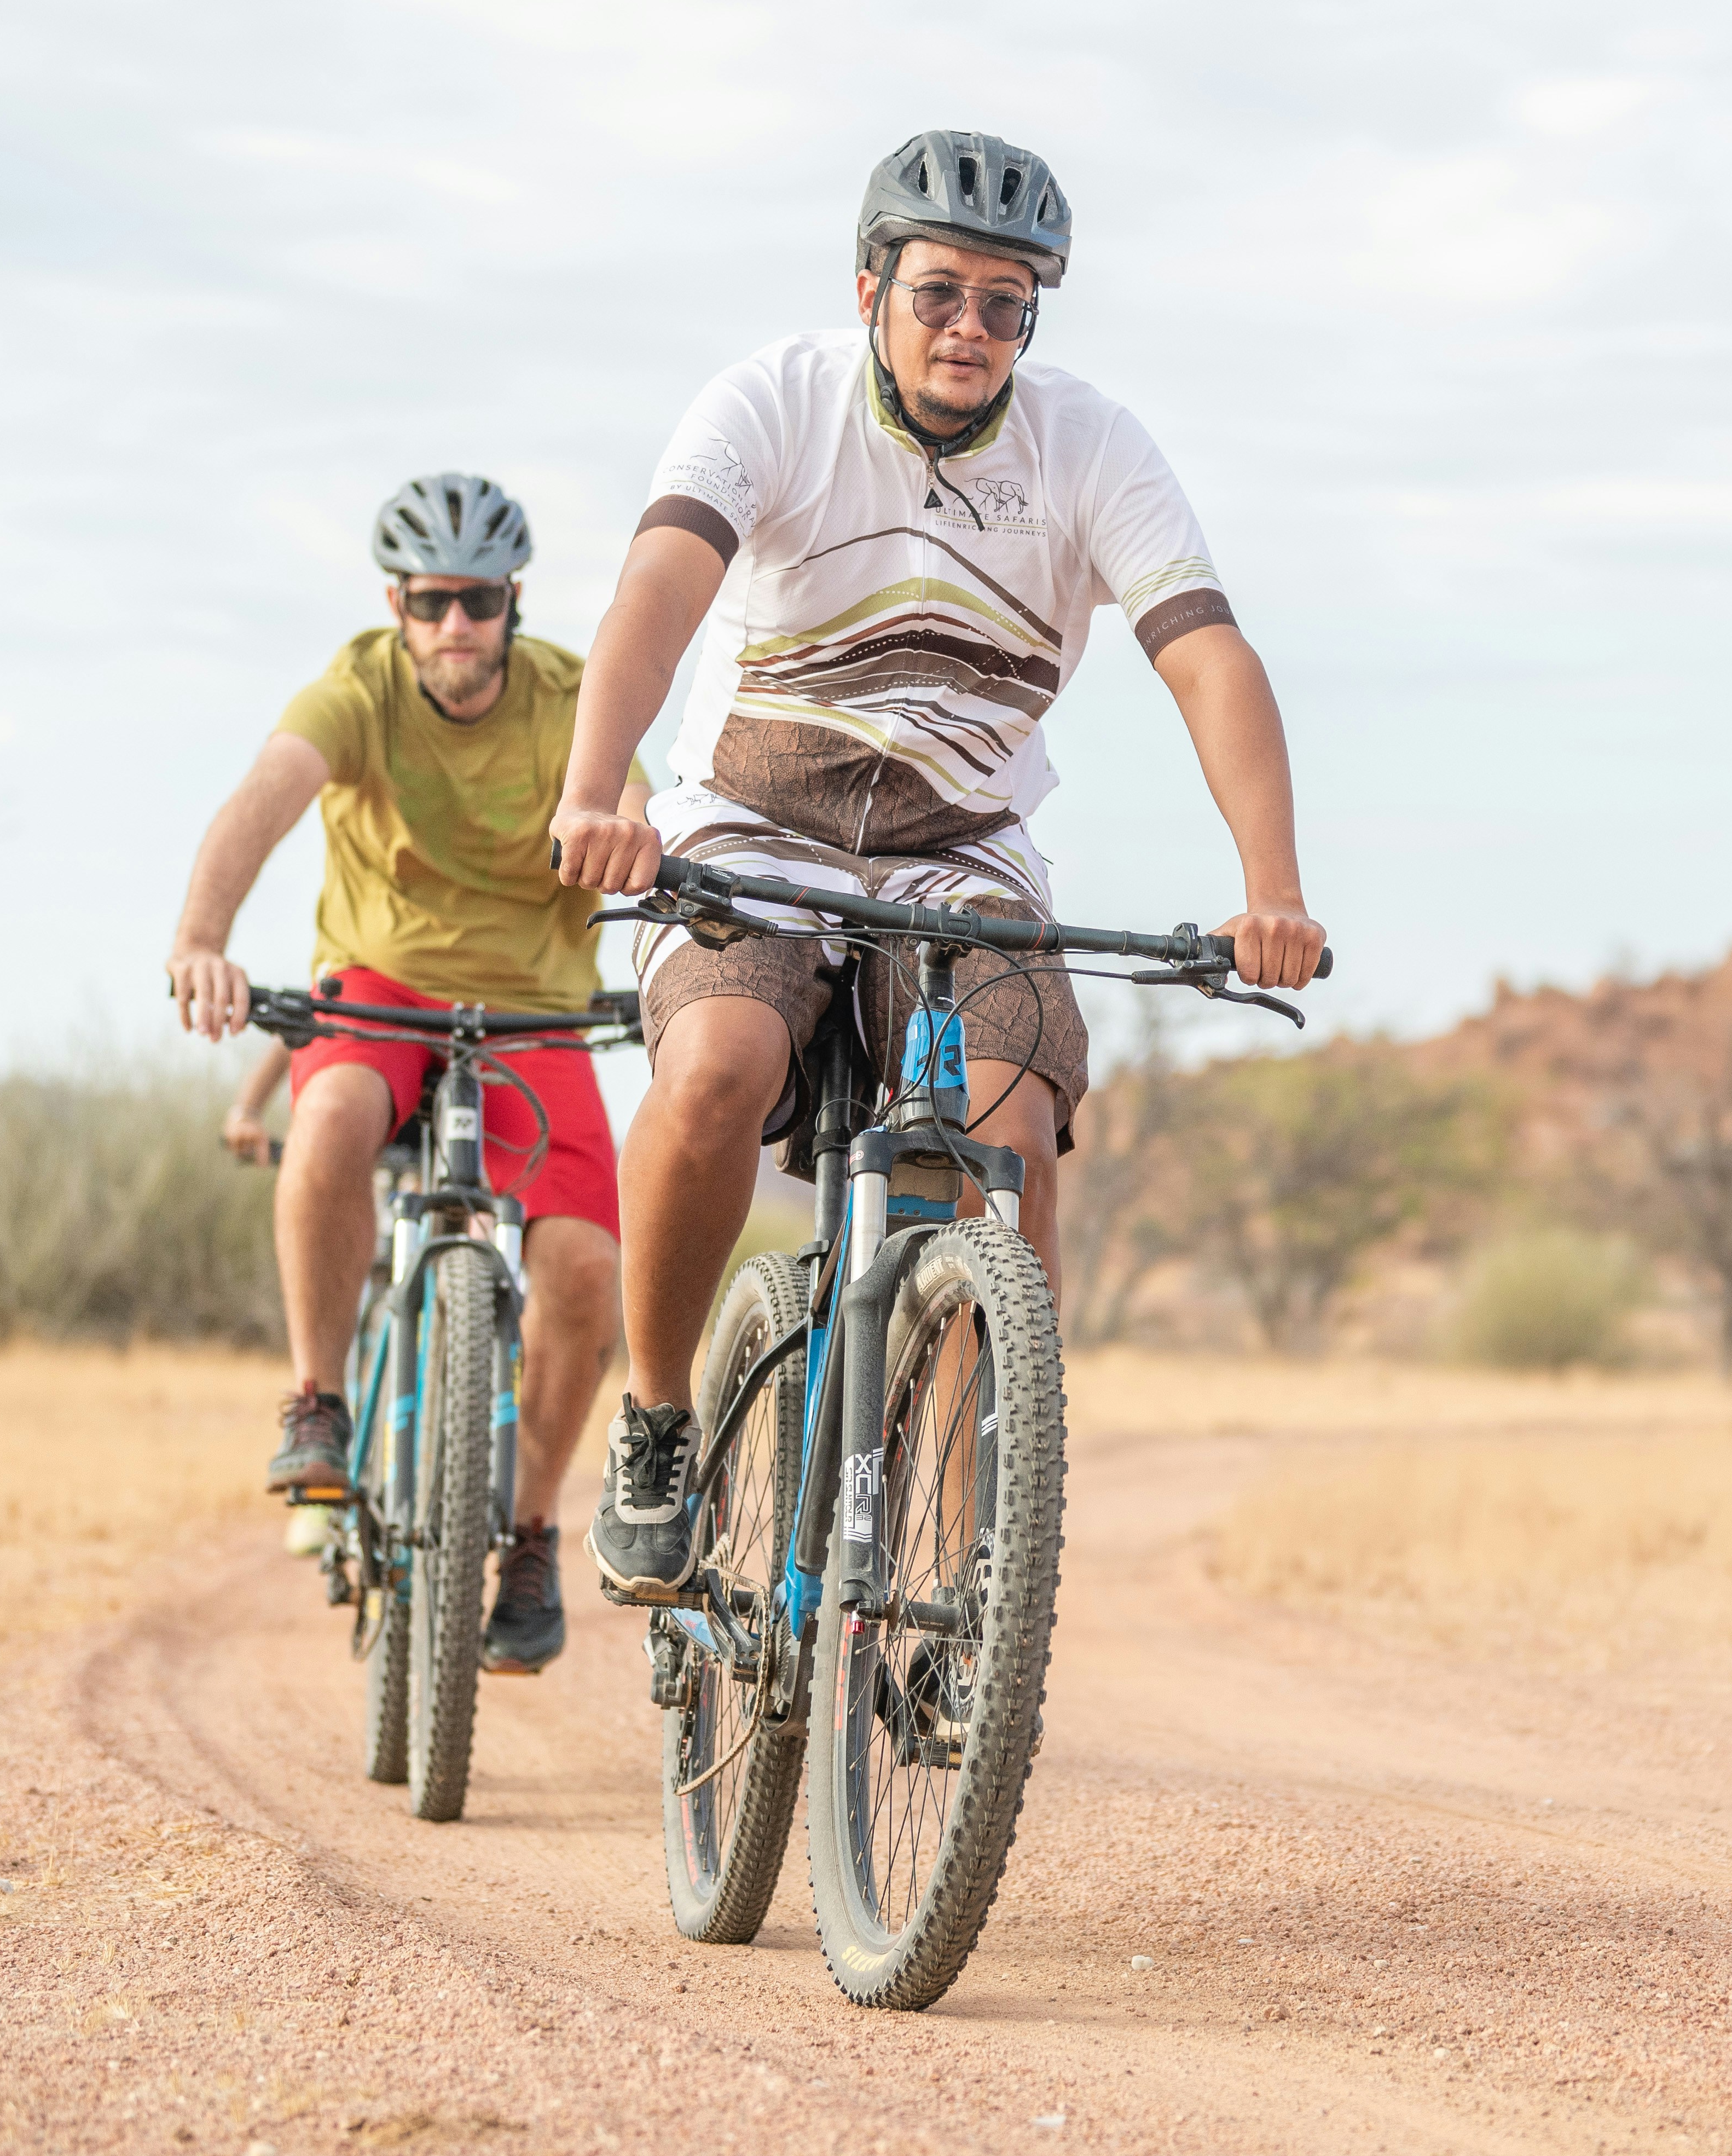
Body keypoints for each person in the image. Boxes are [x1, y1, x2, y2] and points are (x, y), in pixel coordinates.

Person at [549, 130, 1329, 1601]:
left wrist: (1271, 887)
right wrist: (603, 793)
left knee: (1013, 1142)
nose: (970, 328)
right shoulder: (774, 402)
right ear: (870, 289)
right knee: (715, 1069)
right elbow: (657, 592)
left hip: (962, 849)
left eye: (1005, 305)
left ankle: (978, 1560)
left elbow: (1208, 655)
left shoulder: (1091, 445)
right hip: (752, 825)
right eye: (939, 295)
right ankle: (655, 1422)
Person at [164, 472, 642, 1677]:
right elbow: (261, 803)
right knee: (327, 1118)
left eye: (479, 601)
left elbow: (637, 806)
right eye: (432, 603)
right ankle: (316, 1401)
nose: (455, 628)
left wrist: (644, 843)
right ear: (397, 602)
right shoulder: (360, 686)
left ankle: (530, 1535)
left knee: (586, 1269)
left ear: (512, 600)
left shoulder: (571, 696)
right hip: (383, 983)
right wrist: (203, 939)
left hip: (537, 1009)